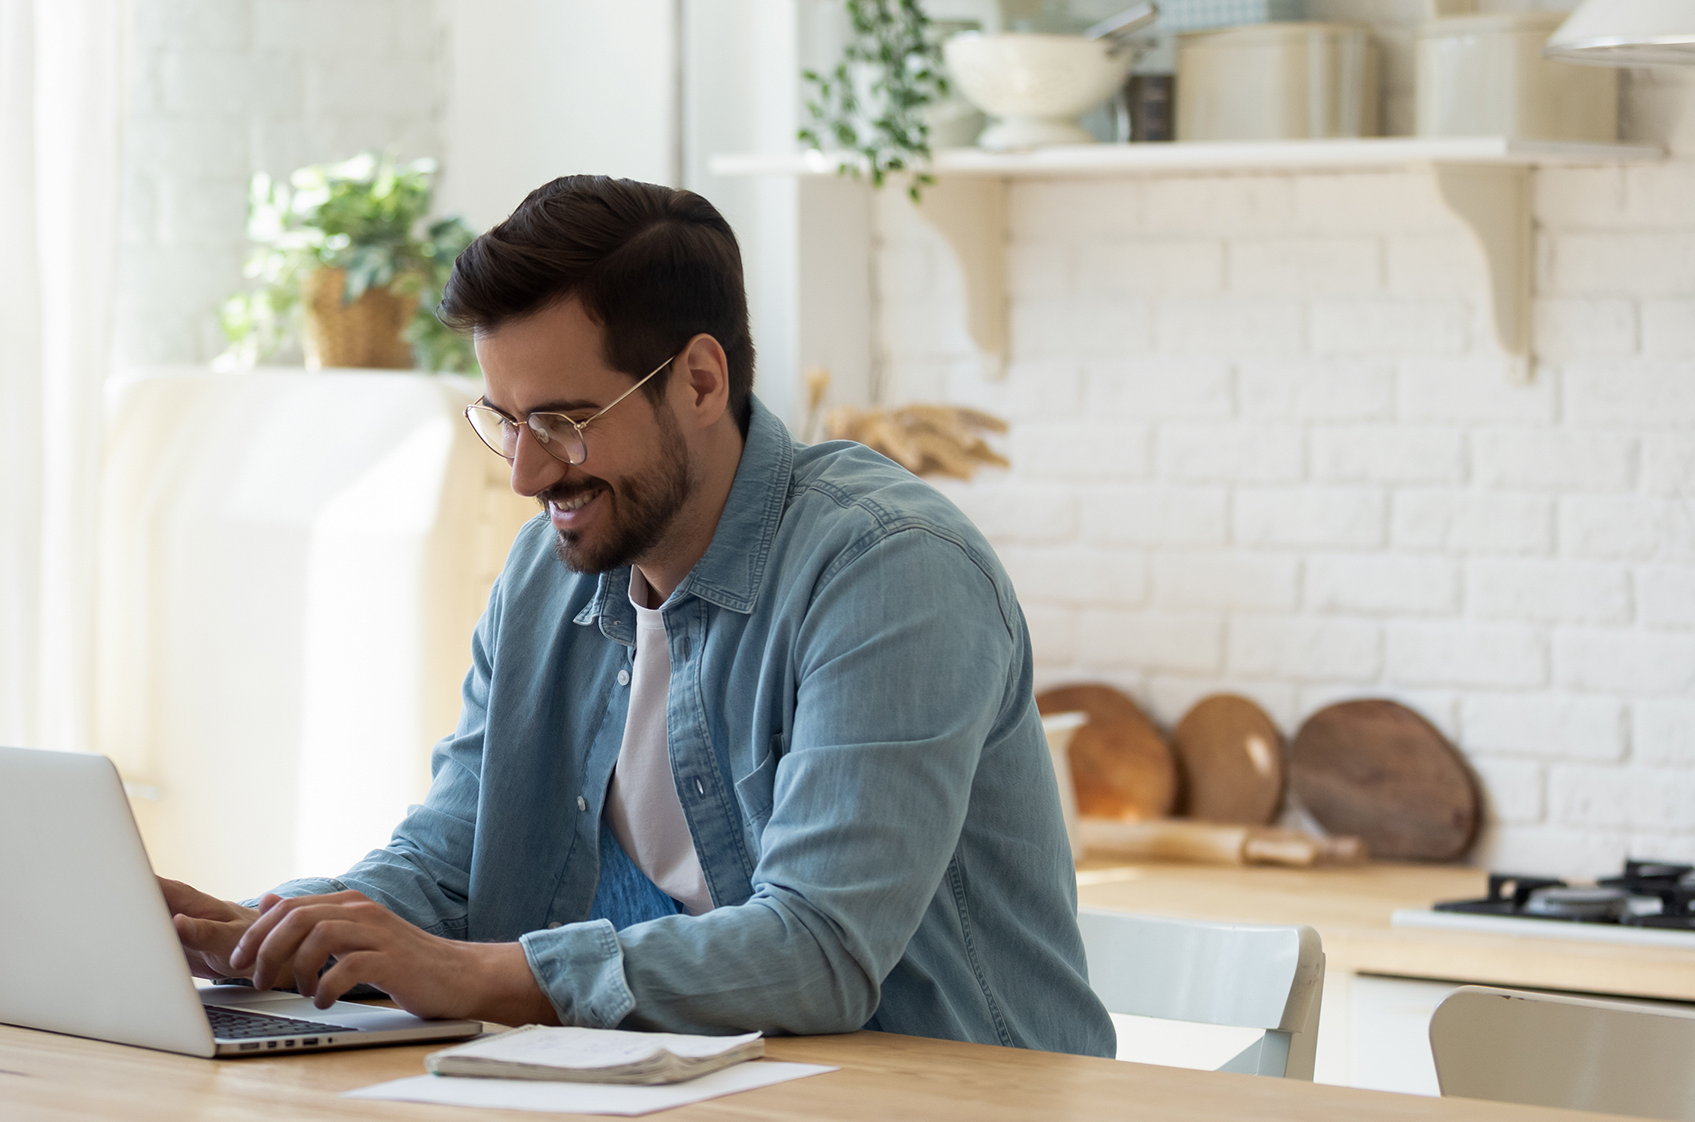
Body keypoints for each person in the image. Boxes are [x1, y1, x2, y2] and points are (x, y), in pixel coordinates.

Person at [164, 175, 1113, 1054]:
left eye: (563, 424)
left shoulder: (889, 571)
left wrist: (471, 976)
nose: (526, 475)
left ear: (700, 381)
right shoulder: (548, 574)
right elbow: (455, 859)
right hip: (716, 1115)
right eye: (505, 421)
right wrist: (268, 929)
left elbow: (820, 948)